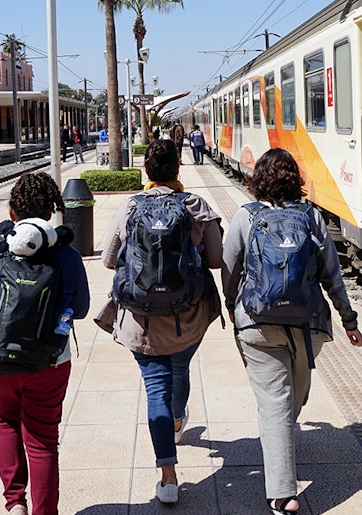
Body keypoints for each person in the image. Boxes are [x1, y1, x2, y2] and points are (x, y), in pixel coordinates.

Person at [220, 148, 362, 515]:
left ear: (258, 180)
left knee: (277, 404)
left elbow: (229, 268)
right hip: (308, 325)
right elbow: (332, 275)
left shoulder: (246, 216)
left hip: (257, 326)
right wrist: (348, 321)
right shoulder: (312, 216)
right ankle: (283, 488)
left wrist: (233, 307)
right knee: (287, 400)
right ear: (294, 179)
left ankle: (281, 472)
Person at [0, 172, 91, 515]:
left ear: (12, 213)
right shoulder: (66, 253)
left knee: (4, 421)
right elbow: (81, 309)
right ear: (50, 213)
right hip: (49, 361)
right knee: (43, 438)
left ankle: (15, 503)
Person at [99, 139, 223, 504]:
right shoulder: (195, 205)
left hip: (142, 322)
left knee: (156, 389)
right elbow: (216, 259)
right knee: (179, 368)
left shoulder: (131, 206)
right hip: (188, 316)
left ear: (146, 171)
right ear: (178, 169)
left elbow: (108, 260)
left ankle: (168, 478)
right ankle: (178, 419)